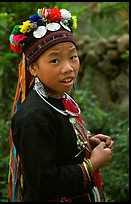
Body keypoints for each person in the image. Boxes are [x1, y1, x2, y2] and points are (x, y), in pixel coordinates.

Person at [8, 7, 114, 202]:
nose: (68, 68)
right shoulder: (34, 116)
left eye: (73, 57)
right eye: (55, 60)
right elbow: (44, 183)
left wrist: (85, 145)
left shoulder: (58, 98)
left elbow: (54, 148)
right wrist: (92, 164)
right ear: (33, 68)